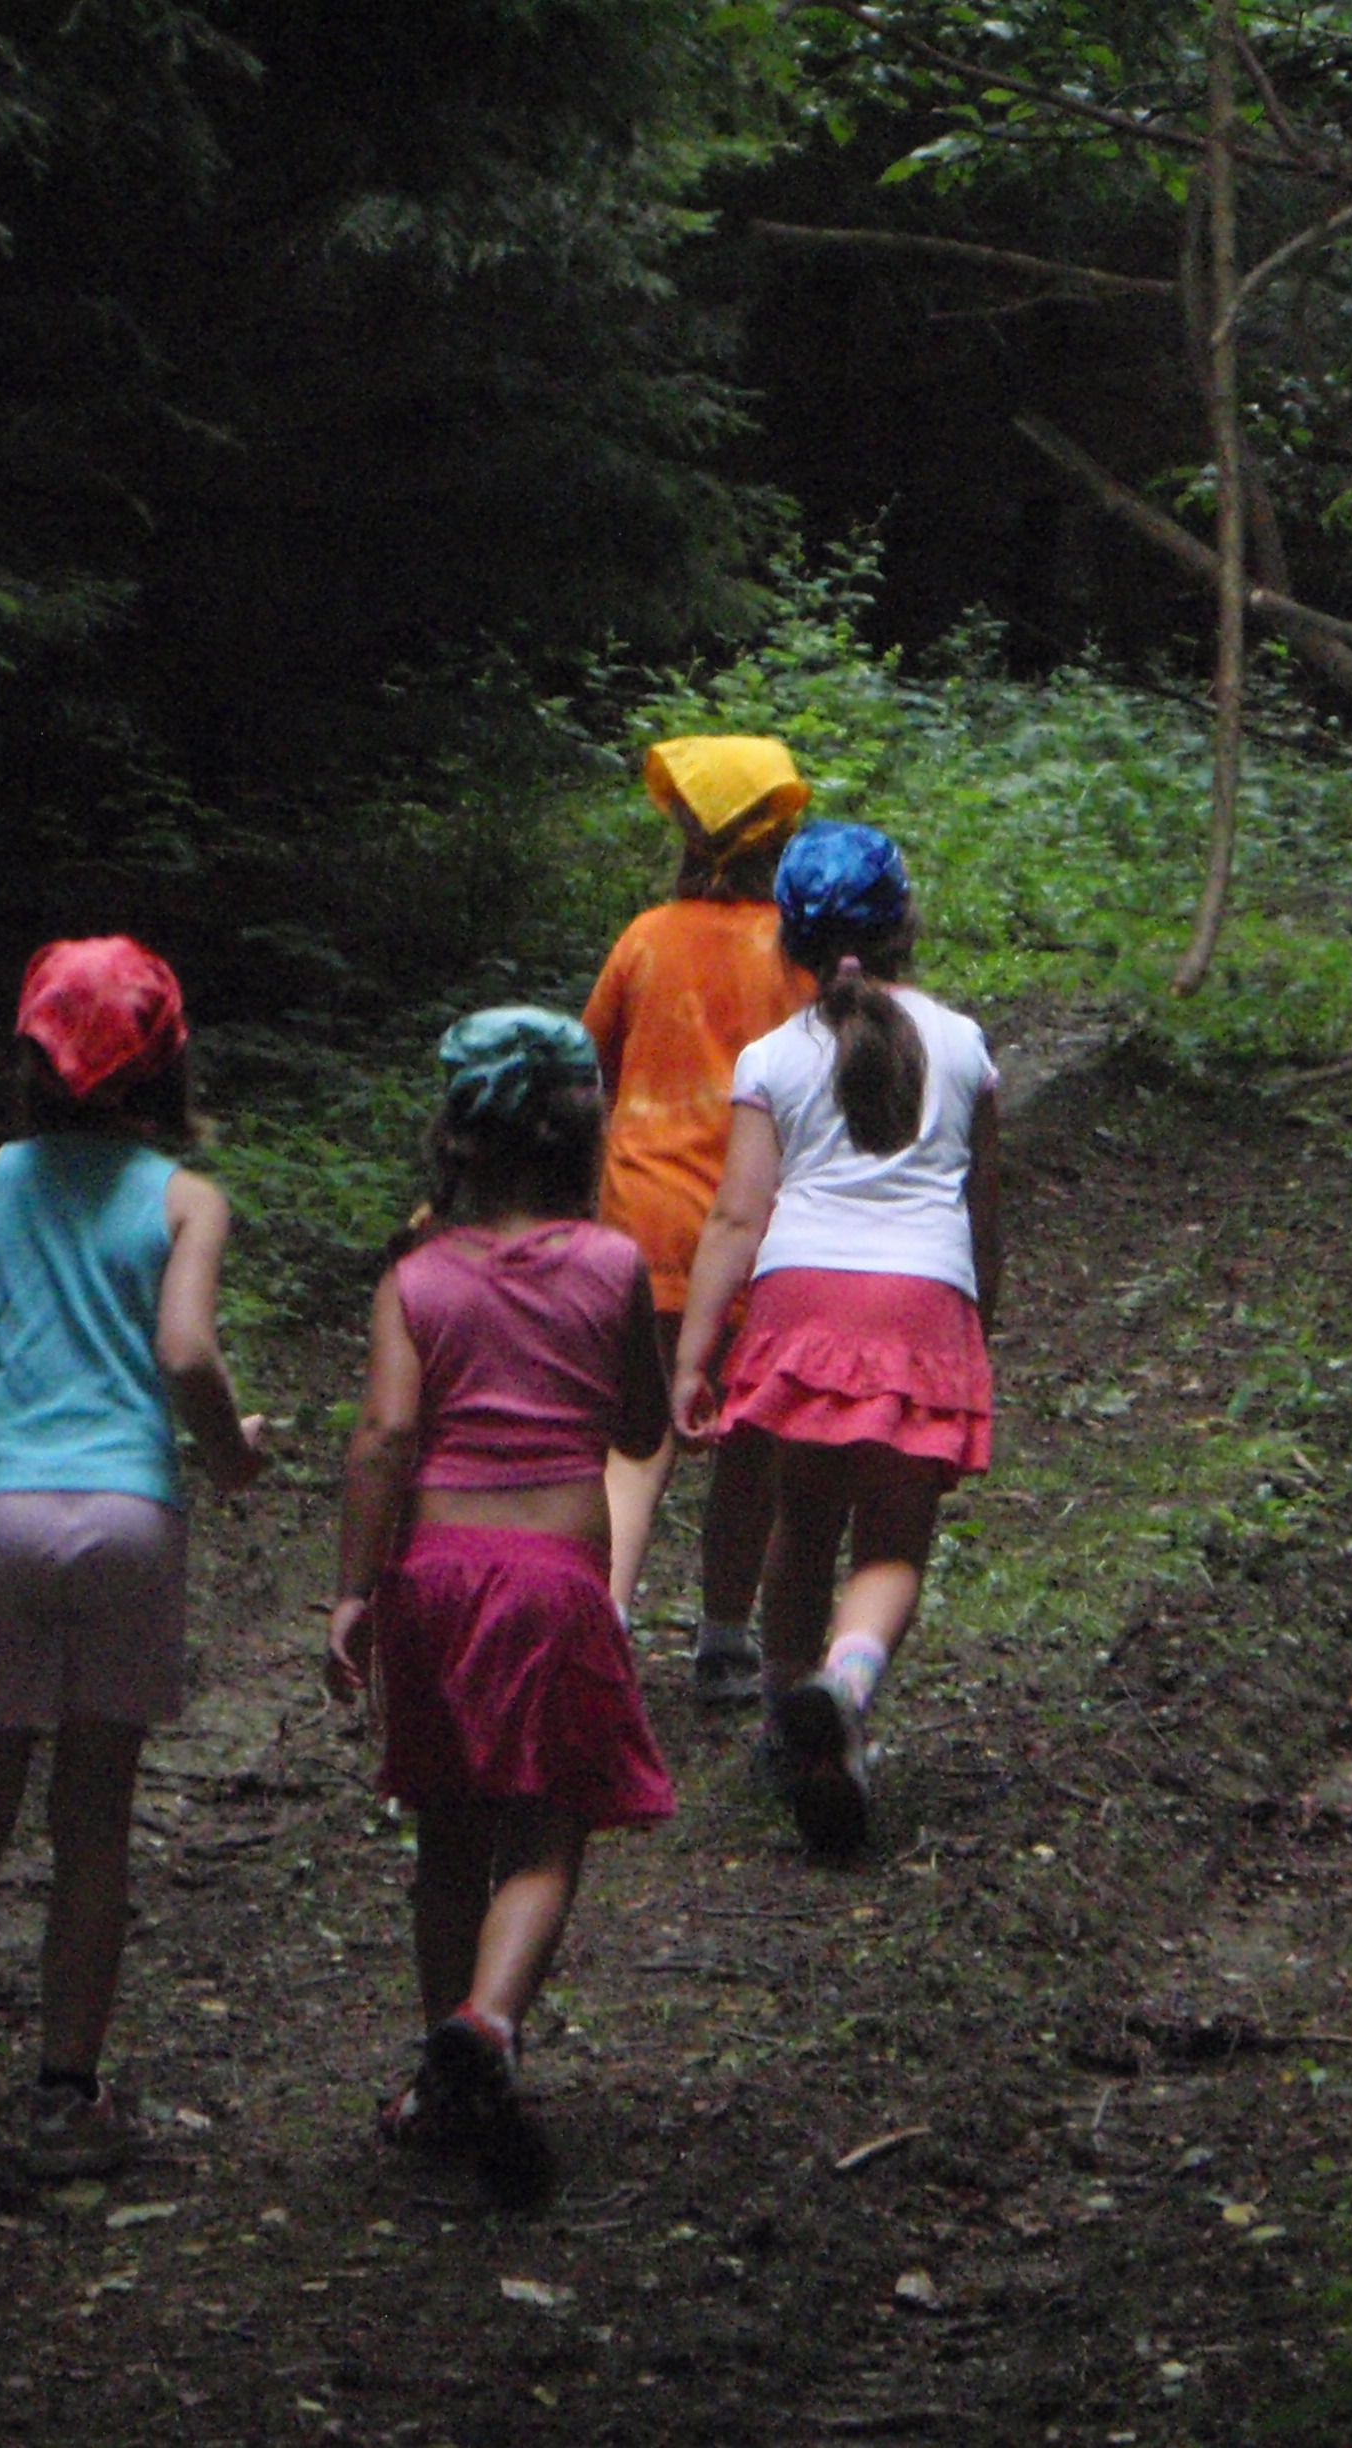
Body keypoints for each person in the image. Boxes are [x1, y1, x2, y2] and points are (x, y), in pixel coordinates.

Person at [0, 936, 269, 2175]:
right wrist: (231, 1458)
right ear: (170, 1067)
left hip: (2, 1512)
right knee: (94, 1820)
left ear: (31, 1060)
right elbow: (185, 1354)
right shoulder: (185, 1199)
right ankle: (62, 2100)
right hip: (129, 1517)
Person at [323, 1007, 674, 2209]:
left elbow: (385, 1437)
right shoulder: (614, 1266)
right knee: (544, 1834)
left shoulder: (414, 1279)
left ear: (455, 1137)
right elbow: (642, 1426)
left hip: (433, 1583)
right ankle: (488, 2022)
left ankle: (441, 2079)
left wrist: (351, 1592)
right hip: (556, 1586)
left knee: (446, 1840)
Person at [673, 825, 1001, 1860]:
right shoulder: (963, 1044)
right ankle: (845, 1686)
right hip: (919, 1299)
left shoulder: (772, 1057)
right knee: (892, 1543)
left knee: (803, 1518)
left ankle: (789, 1719)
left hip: (800, 1302)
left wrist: (692, 1356)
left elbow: (736, 1218)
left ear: (792, 940)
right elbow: (984, 1209)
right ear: (905, 924)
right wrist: (981, 1315)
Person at [581, 735, 815, 1697]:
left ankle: (602, 1623)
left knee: (636, 1443)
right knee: (748, 1446)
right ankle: (723, 1640)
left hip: (640, 1227)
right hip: (758, 1233)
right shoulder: (796, 953)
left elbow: (592, 1064)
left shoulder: (644, 939)